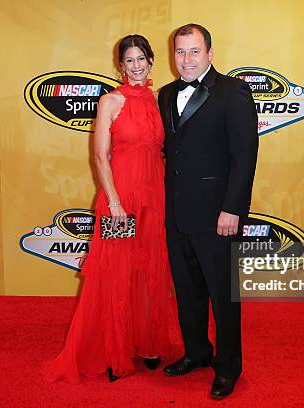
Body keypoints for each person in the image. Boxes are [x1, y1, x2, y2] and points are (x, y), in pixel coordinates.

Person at [42, 34, 180, 384]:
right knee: (117, 272)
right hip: (120, 201)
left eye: (142, 59)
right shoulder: (110, 101)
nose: (137, 65)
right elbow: (100, 157)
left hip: (155, 197)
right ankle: (112, 349)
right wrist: (115, 202)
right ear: (120, 65)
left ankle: (147, 344)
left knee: (150, 269)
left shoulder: (157, 99)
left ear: (151, 61)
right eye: (129, 60)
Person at [158, 23, 258, 399]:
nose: (186, 60)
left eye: (194, 51)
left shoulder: (234, 92)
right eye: (180, 52)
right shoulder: (166, 94)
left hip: (219, 216)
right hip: (177, 214)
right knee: (188, 292)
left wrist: (232, 209)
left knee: (223, 296)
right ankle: (197, 353)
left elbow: (244, 158)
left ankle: (228, 366)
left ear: (210, 53)